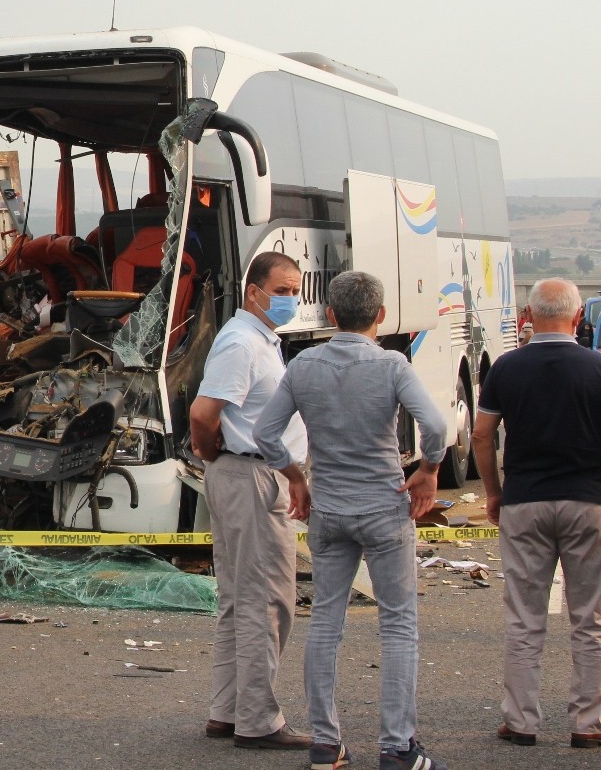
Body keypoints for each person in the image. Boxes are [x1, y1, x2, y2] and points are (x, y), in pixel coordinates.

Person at [255, 270, 449, 770]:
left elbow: (265, 433)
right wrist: (427, 470)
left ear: (331, 315)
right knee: (399, 624)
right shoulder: (392, 365)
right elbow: (435, 424)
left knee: (325, 622)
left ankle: (325, 743)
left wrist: (296, 479)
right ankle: (397, 747)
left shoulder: (303, 367)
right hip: (384, 508)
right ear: (380, 316)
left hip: (329, 509)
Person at [188, 250, 310, 750]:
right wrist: (211, 449)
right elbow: (203, 412)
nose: (291, 299)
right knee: (269, 602)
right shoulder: (242, 342)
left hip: (252, 473)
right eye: (281, 291)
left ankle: (229, 709)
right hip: (251, 476)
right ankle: (258, 720)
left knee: (241, 600)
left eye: (295, 290)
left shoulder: (262, 341)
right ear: (253, 293)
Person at [472, 277, 601, 748]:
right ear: (578, 315)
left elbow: (482, 436)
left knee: (525, 617)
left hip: (525, 500)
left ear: (528, 314)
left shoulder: (507, 367)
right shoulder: (596, 367)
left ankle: (521, 720)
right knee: (590, 619)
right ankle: (588, 722)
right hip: (589, 501)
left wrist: (493, 492)